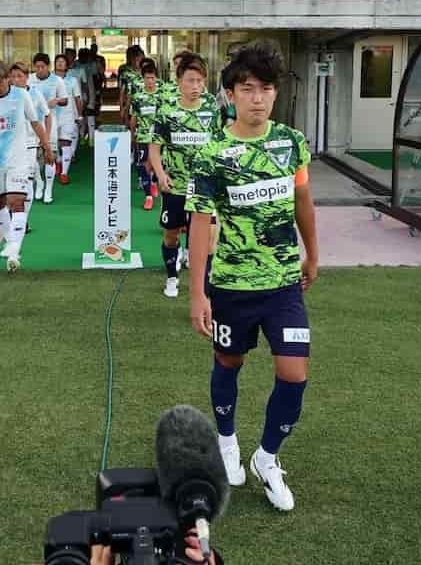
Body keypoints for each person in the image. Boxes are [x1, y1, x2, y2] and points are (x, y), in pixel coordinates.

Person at [186, 43, 317, 512]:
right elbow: (200, 222)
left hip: (282, 283)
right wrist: (197, 292)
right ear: (230, 95)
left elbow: (303, 201)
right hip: (232, 286)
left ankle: (267, 457)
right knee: (229, 364)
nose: (258, 98)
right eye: (247, 89)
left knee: (293, 372)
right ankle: (226, 440)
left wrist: (313, 256)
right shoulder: (212, 154)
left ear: (275, 94)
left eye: (265, 89)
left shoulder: (291, 142)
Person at [150, 53, 219, 300]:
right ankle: (172, 277)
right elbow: (154, 147)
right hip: (175, 187)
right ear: (179, 80)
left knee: (208, 238)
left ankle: (202, 287)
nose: (196, 86)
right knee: (171, 235)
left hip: (203, 188)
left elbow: (221, 143)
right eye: (190, 80)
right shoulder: (167, 110)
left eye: (200, 81)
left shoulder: (212, 107)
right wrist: (160, 174)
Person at [0, 59, 53, 272]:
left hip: (18, 158)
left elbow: (36, 122)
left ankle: (15, 247)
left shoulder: (21, 96)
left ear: (8, 78)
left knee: (16, 202)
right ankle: (11, 242)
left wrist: (47, 147)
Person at [12, 62, 53, 213]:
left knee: (27, 176)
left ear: (27, 77)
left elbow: (47, 115)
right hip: (13, 143)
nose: (16, 80)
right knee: (30, 170)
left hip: (31, 139)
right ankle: (40, 183)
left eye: (19, 76)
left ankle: (24, 216)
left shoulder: (35, 93)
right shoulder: (8, 94)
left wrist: (46, 138)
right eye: (13, 77)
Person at [28, 52, 69, 197]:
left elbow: (65, 100)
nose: (39, 69)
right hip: (31, 124)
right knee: (33, 157)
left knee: (49, 154)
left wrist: (56, 101)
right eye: (37, 67)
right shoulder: (29, 79)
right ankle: (39, 183)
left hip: (50, 121)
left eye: (42, 67)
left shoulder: (57, 81)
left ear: (48, 67)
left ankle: (48, 189)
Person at [129, 58, 164, 211]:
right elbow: (134, 117)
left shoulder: (162, 96)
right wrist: (132, 135)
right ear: (142, 79)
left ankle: (155, 181)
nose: (150, 80)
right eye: (147, 78)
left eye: (152, 77)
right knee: (144, 165)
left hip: (159, 136)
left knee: (157, 164)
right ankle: (148, 196)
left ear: (156, 78)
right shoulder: (138, 97)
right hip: (143, 135)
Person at [53, 53, 83, 181]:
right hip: (52, 116)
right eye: (58, 61)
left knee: (66, 143)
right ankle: (58, 162)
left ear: (67, 65)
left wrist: (80, 115)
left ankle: (64, 173)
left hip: (68, 116)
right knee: (54, 144)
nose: (60, 63)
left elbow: (77, 98)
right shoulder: (49, 80)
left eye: (62, 61)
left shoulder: (72, 80)